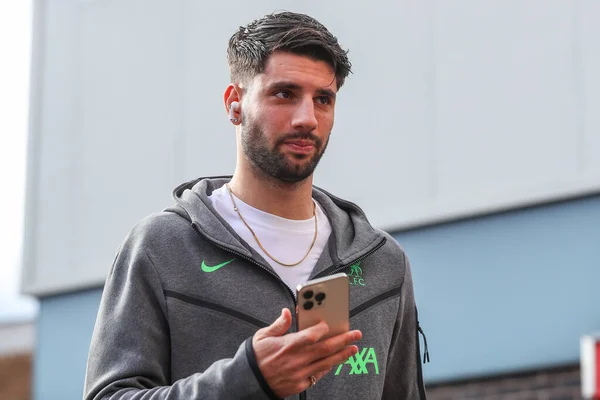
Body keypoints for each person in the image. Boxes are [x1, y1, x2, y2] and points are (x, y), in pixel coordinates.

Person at [84, 11, 428, 400]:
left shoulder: (383, 264)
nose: (307, 118)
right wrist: (247, 379)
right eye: (285, 93)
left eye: (323, 99)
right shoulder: (162, 247)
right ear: (235, 104)